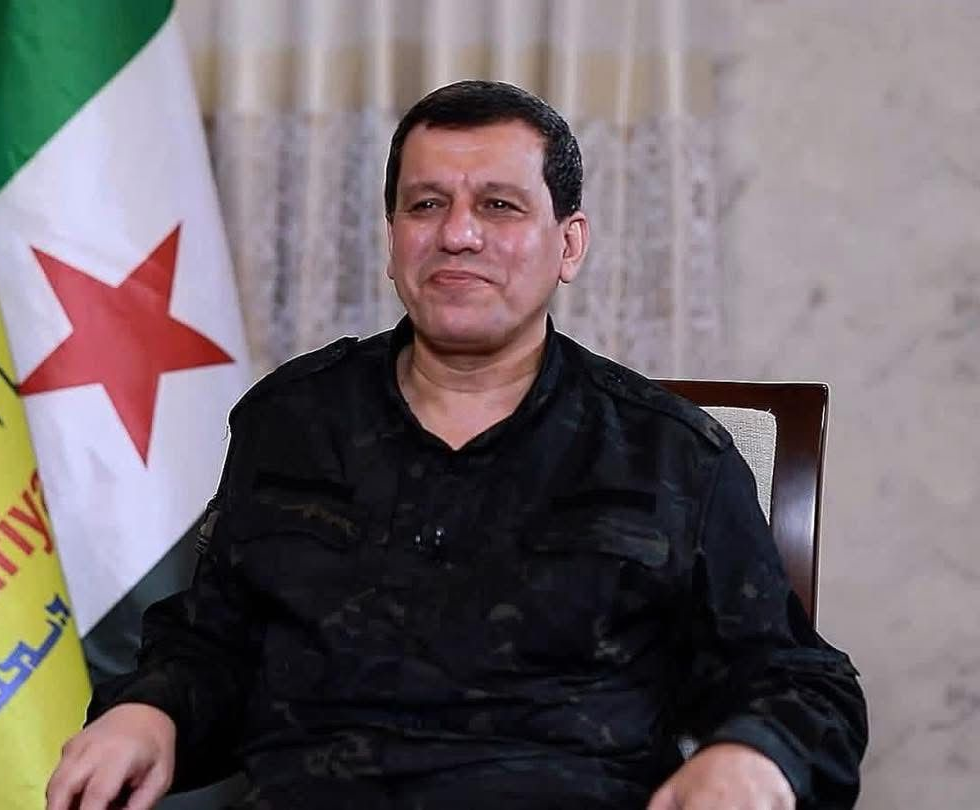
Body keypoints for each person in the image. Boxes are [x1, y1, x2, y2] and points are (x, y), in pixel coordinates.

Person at [45, 80, 867, 810]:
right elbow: (210, 647)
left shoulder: (670, 454)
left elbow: (799, 680)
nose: (458, 235)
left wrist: (753, 755)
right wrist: (147, 711)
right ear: (393, 238)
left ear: (569, 244)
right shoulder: (290, 422)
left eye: (500, 206)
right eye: (426, 205)